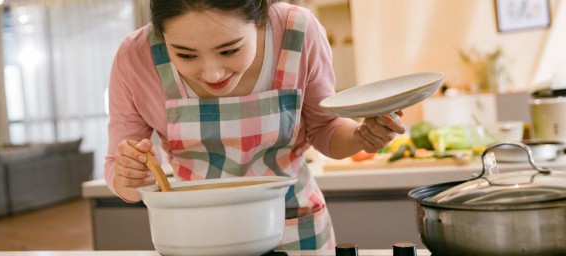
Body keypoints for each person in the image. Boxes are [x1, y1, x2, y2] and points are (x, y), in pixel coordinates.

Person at [105, 0, 405, 251]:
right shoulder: (136, 58)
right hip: (197, 238)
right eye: (185, 55)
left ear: (261, 16)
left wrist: (361, 136)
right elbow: (120, 174)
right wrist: (130, 176)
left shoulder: (297, 33)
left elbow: (325, 131)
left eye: (229, 50)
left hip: (294, 230)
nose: (212, 73)